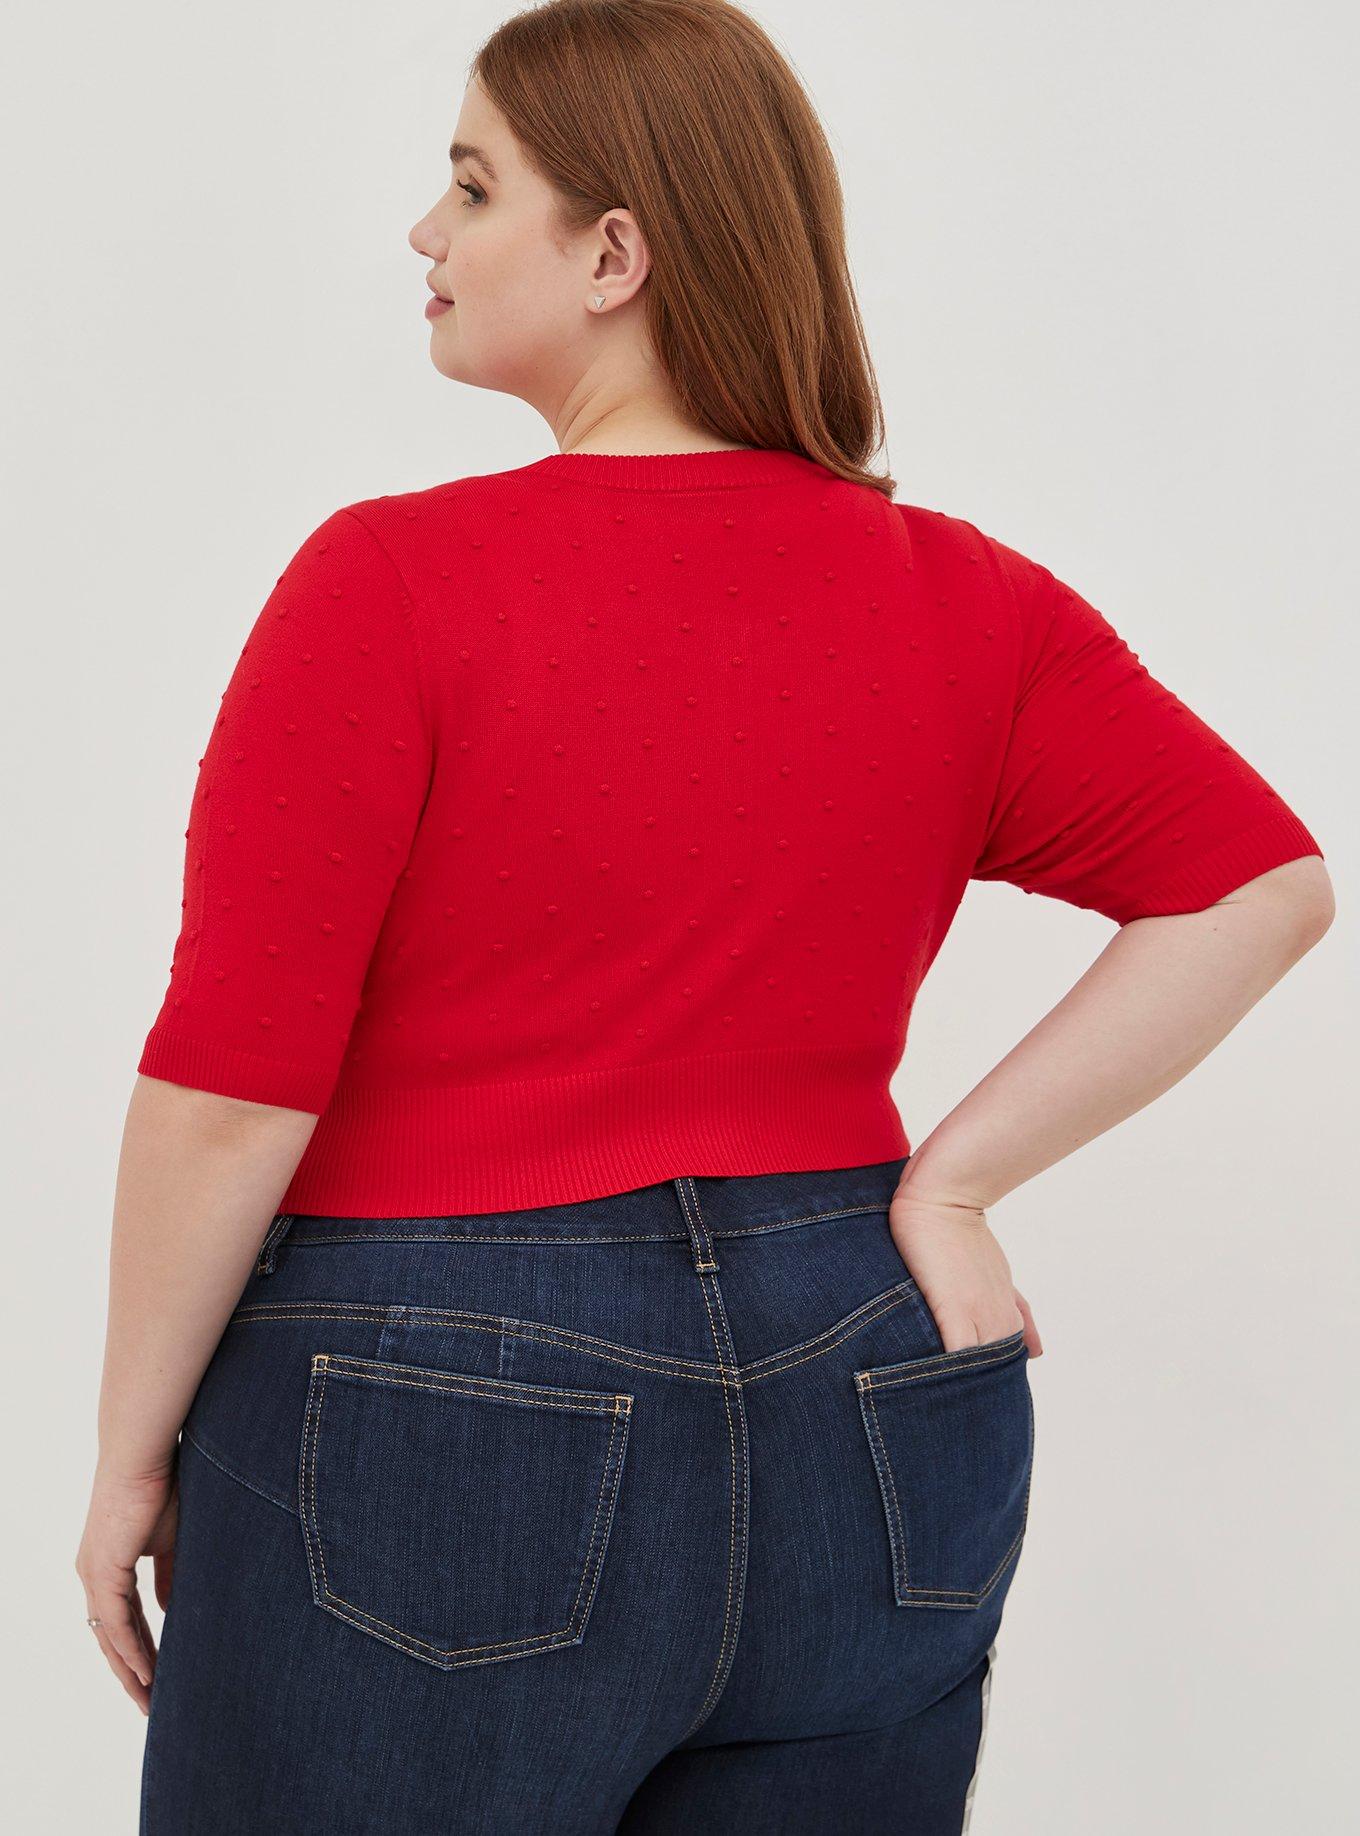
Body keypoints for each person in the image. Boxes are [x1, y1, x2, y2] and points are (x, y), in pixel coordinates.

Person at [77, 3, 1333, 1831]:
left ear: (614, 255)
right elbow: (1259, 883)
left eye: (471, 186)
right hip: (873, 1388)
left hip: (436, 1409)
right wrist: (949, 1189)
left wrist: (130, 1451)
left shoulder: (392, 581)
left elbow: (230, 1089)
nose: (426, 231)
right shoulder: (965, 598)